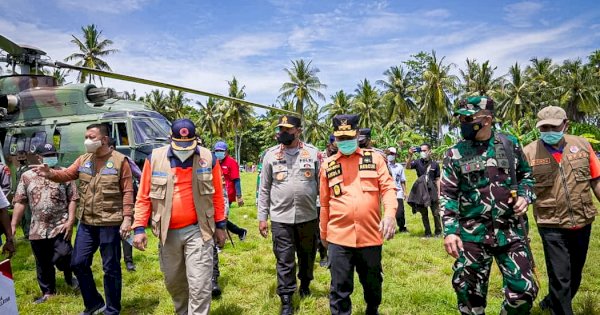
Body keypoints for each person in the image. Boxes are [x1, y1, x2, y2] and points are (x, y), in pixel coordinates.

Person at [441, 96, 538, 314]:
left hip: (511, 231)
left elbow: (527, 177)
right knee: (468, 294)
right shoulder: (456, 152)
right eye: (461, 118)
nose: (462, 123)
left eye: (468, 118)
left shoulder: (509, 144)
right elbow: (447, 194)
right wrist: (450, 232)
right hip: (472, 235)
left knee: (524, 291)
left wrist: (525, 196)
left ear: (486, 119)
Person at [35, 123, 134, 315]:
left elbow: (128, 191)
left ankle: (112, 310)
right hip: (87, 223)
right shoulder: (84, 160)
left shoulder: (120, 161)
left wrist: (127, 218)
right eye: (86, 137)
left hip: (110, 223)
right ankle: (94, 303)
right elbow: (66, 174)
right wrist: (51, 174)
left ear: (104, 139)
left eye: (91, 136)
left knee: (111, 268)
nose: (87, 140)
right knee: (78, 263)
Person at [132, 118, 226, 315]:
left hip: (199, 230)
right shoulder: (155, 159)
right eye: (180, 144)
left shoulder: (208, 158)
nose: (184, 148)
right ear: (171, 139)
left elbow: (217, 195)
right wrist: (139, 228)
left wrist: (220, 226)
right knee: (174, 282)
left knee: (200, 284)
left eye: (188, 144)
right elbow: (143, 196)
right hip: (168, 232)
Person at [523, 106, 600, 315]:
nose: (548, 131)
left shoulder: (582, 146)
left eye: (553, 126)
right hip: (551, 224)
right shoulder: (529, 152)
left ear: (566, 124)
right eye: (544, 127)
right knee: (560, 275)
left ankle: (551, 301)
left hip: (583, 220)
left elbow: (596, 180)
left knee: (575, 274)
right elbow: (523, 190)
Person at [320, 114, 397, 315]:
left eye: (348, 137)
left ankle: (372, 309)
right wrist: (323, 234)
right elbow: (325, 204)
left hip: (370, 236)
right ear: (335, 139)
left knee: (372, 284)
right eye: (340, 138)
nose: (345, 142)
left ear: (357, 134)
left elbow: (388, 189)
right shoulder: (328, 166)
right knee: (339, 288)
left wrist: (389, 214)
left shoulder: (375, 159)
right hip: (338, 236)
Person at [257, 115, 320, 315]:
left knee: (307, 255)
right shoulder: (270, 155)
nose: (282, 133)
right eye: (281, 129)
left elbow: (322, 187)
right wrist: (262, 217)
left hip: (308, 216)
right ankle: (286, 301)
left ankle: (305, 283)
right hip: (280, 218)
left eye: (287, 130)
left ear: (298, 131)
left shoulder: (313, 153)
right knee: (284, 259)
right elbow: (264, 188)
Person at [10, 143, 79, 304]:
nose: (50, 158)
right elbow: (20, 201)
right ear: (39, 157)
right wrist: (13, 224)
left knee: (64, 254)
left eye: (53, 154)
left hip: (60, 225)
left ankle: (69, 275)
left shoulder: (64, 173)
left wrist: (70, 221)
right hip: (37, 228)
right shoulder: (27, 176)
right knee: (42, 262)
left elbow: (73, 198)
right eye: (47, 156)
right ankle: (48, 291)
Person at [212, 140, 247, 297]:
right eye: (216, 150)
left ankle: (222, 241)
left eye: (221, 151)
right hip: (214, 195)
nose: (219, 153)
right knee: (219, 219)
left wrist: (239, 196)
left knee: (222, 219)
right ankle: (240, 232)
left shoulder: (231, 163)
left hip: (228, 195)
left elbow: (236, 180)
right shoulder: (212, 161)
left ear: (226, 151)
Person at [107, 137, 139, 272]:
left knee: (126, 232)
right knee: (111, 236)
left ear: (112, 148)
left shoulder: (124, 160)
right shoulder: (97, 161)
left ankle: (128, 261)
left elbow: (139, 174)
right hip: (108, 206)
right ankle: (114, 262)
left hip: (125, 202)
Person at [407, 143, 442, 237]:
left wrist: (439, 193)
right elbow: (407, 167)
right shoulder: (417, 162)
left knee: (436, 213)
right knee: (424, 213)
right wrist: (410, 155)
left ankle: (438, 232)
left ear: (429, 151)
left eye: (424, 150)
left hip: (432, 190)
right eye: (421, 151)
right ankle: (428, 233)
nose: (422, 152)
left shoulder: (435, 164)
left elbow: (438, 179)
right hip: (422, 191)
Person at [386, 147, 408, 233]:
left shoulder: (399, 167)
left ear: (395, 155)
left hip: (398, 191)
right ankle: (389, 228)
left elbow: (402, 180)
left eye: (392, 154)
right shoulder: (384, 165)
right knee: (389, 211)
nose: (390, 156)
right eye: (388, 154)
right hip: (388, 191)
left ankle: (402, 227)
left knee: (400, 212)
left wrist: (405, 192)